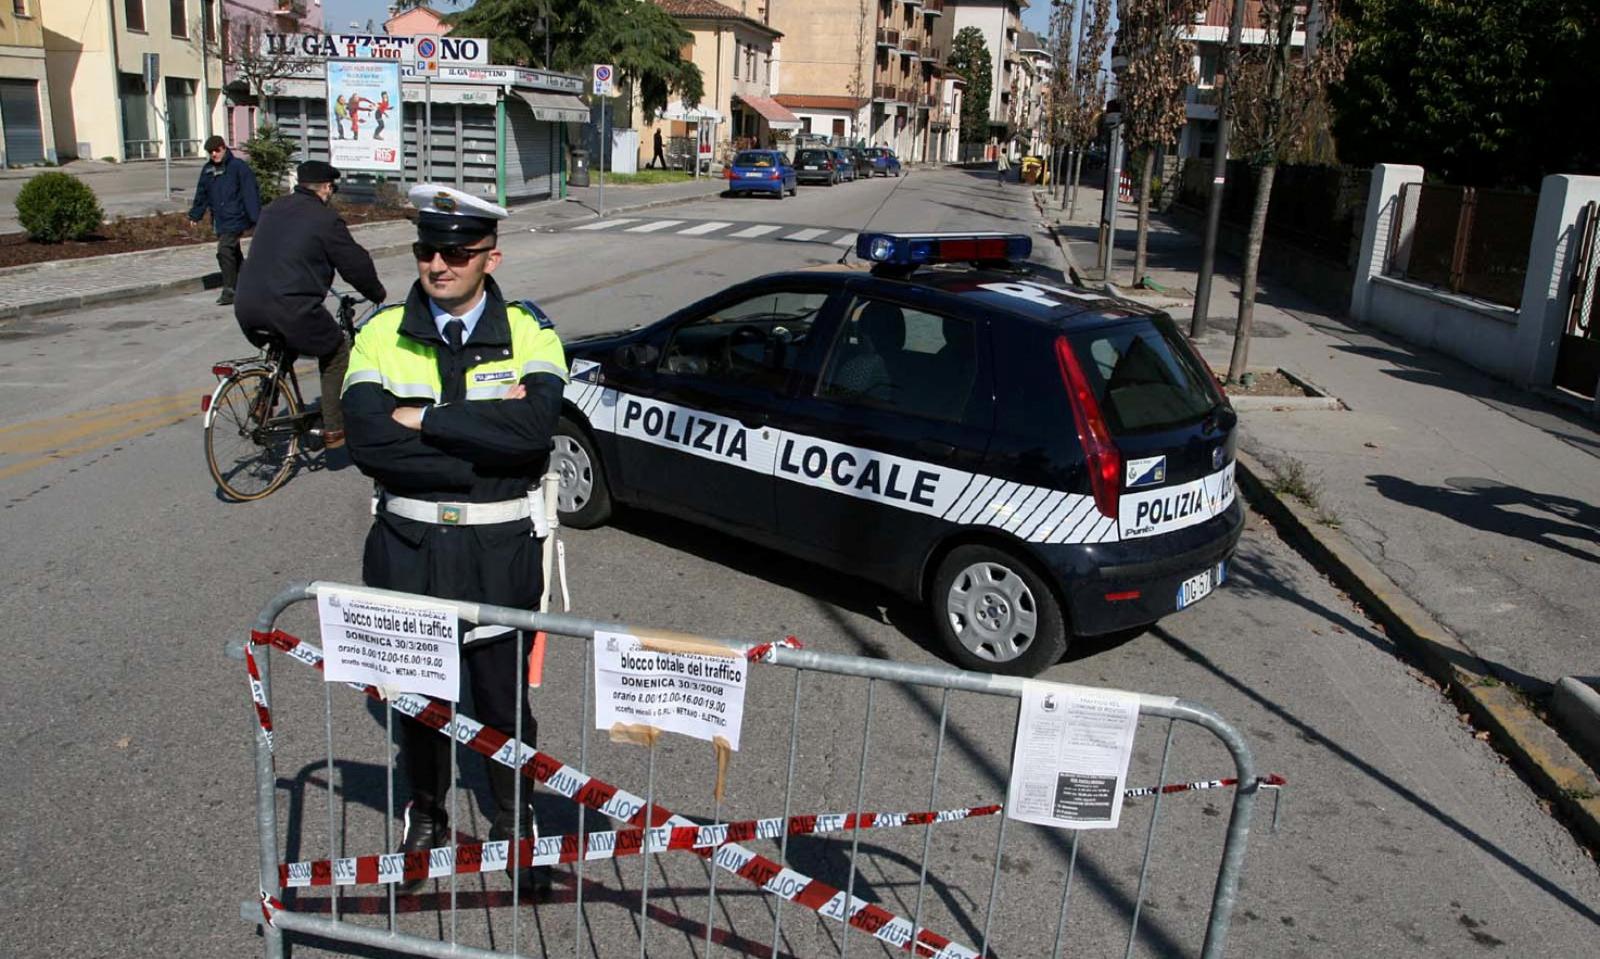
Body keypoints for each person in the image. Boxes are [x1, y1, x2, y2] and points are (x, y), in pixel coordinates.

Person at [342, 184, 566, 897]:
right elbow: (370, 443)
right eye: (426, 251)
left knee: (502, 702)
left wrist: (426, 417)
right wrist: (479, 435)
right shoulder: (381, 332)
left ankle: (515, 819)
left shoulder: (530, 329)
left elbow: (532, 438)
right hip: (408, 543)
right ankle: (428, 815)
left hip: (500, 548)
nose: (437, 264)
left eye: (456, 253)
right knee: (420, 697)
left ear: (490, 257)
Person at [233, 161, 386, 450]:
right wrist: (375, 291)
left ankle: (263, 402)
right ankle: (334, 428)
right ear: (327, 188)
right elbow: (354, 262)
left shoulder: (273, 209)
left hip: (246, 303)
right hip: (289, 307)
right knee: (336, 350)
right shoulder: (324, 219)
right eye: (333, 188)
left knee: (286, 343)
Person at [188, 135, 261, 306]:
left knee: (224, 251)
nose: (214, 154)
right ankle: (249, 282)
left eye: (216, 150)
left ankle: (230, 290)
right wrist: (195, 214)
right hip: (220, 219)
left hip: (236, 216)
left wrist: (256, 219)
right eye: (210, 152)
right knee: (233, 252)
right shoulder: (208, 170)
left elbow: (250, 193)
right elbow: (202, 194)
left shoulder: (238, 167)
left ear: (224, 148)